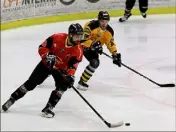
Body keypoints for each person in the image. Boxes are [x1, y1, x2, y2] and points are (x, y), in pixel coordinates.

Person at [1, 23, 84, 118]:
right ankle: (12, 99)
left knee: (62, 87)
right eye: (77, 36)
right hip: (46, 64)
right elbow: (42, 47)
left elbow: (73, 66)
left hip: (60, 69)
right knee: (31, 83)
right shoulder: (57, 37)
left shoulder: (78, 50)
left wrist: (70, 76)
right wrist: (47, 56)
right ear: (70, 34)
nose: (79, 38)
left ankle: (49, 107)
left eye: (80, 36)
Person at [76, 11, 122, 91]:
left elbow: (110, 43)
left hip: (93, 48)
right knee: (73, 59)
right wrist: (92, 44)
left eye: (106, 21)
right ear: (98, 20)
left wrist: (114, 54)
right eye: (102, 21)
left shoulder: (109, 31)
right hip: (81, 46)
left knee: (95, 62)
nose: (104, 23)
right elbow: (82, 41)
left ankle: (82, 82)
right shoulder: (90, 26)